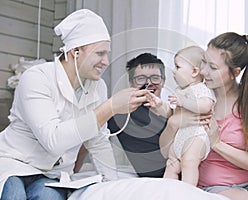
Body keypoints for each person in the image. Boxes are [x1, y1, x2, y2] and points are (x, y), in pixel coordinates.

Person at [0, 9, 149, 200]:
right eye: (100, 53)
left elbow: (98, 143)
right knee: (14, 195)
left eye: (107, 54)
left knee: (49, 197)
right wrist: (110, 107)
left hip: (52, 173)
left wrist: (113, 186)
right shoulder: (37, 78)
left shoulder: (98, 87)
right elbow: (53, 140)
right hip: (16, 163)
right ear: (76, 51)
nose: (106, 62)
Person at [159, 32, 248, 200]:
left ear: (235, 72)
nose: (203, 71)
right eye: (204, 62)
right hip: (215, 185)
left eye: (213, 67)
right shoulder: (194, 97)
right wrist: (173, 123)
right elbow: (167, 151)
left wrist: (216, 143)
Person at [147, 46, 215, 186]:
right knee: (171, 166)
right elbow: (171, 113)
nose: (173, 70)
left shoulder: (202, 89)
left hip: (196, 137)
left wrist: (183, 101)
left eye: (178, 67)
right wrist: (159, 104)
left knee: (189, 162)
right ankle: (168, 192)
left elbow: (205, 106)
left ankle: (188, 194)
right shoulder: (179, 90)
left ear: (194, 71)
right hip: (179, 138)